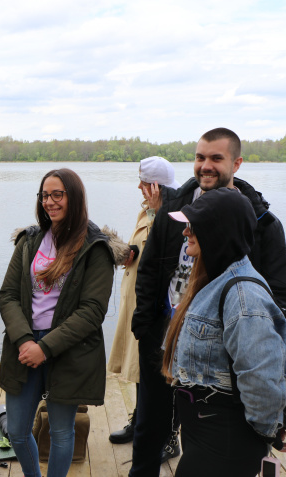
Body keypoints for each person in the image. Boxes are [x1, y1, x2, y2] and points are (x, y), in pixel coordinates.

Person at [129, 128, 286, 476]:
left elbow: (275, 302)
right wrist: (144, 329)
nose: (205, 166)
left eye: (216, 158)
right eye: (200, 157)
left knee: (204, 448)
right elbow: (148, 271)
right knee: (149, 430)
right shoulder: (174, 207)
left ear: (237, 163)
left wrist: (264, 427)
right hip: (167, 345)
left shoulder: (261, 228)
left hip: (221, 376)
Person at [0, 168, 127, 477]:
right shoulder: (29, 240)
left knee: (61, 432)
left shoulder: (95, 247)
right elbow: (8, 295)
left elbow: (93, 311)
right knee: (16, 429)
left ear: (75, 197)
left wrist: (46, 346)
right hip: (25, 346)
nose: (50, 202)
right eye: (45, 195)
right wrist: (26, 340)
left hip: (69, 349)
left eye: (58, 195)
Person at [162, 188, 286, 476]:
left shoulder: (244, 297)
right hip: (203, 433)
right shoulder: (213, 279)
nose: (186, 233)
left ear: (219, 230)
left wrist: (263, 435)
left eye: (193, 225)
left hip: (226, 441)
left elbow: (262, 383)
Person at [107, 157, 180, 446]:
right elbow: (146, 249)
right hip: (136, 300)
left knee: (162, 374)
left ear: (156, 185)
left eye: (143, 182)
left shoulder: (174, 214)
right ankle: (140, 421)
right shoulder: (147, 211)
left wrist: (156, 214)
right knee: (140, 367)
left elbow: (168, 253)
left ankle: (169, 437)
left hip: (158, 308)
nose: (138, 187)